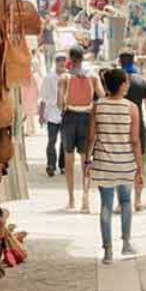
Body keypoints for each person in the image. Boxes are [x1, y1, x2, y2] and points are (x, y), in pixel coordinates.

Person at [84, 69, 142, 264]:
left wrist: (86, 161)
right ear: (122, 85)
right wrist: (140, 168)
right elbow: (135, 141)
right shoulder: (132, 108)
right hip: (125, 164)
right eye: (126, 82)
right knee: (126, 202)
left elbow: (91, 137)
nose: (128, 85)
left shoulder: (97, 106)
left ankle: (108, 251)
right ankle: (126, 244)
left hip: (103, 164)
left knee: (106, 206)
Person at [58, 45, 105, 212]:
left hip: (70, 117)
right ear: (83, 57)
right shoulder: (92, 76)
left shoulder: (64, 77)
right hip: (87, 118)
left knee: (69, 160)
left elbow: (59, 104)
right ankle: (85, 197)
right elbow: (102, 97)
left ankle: (71, 199)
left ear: (70, 59)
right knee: (85, 159)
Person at [119, 51, 146, 212]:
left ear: (120, 62)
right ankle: (137, 200)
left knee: (120, 165)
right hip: (138, 127)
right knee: (139, 165)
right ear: (134, 61)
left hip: (119, 127)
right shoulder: (142, 82)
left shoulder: (115, 81)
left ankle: (120, 202)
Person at [39, 53, 67, 177]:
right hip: (51, 114)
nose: (61, 62)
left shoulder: (69, 77)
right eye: (58, 60)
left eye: (63, 60)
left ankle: (63, 165)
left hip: (66, 114)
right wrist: (41, 114)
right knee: (52, 141)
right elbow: (43, 98)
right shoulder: (48, 78)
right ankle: (51, 164)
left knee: (65, 142)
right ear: (55, 62)